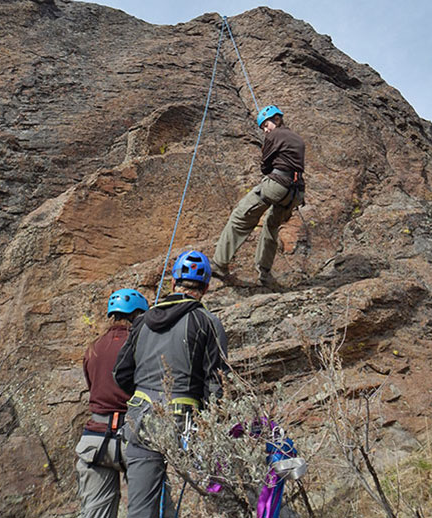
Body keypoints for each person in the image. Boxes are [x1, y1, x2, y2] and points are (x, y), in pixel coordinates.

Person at [113, 250, 228, 518]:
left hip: (140, 419)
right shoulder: (207, 322)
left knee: (141, 510)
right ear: (206, 287)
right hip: (185, 423)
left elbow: (120, 373)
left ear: (173, 283)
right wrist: (214, 426)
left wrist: (143, 396)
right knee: (222, 496)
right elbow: (217, 382)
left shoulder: (141, 322)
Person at [75, 288, 150, 518]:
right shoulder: (141, 344)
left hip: (94, 440)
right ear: (137, 315)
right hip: (133, 437)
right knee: (148, 510)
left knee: (95, 514)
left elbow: (94, 387)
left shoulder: (93, 348)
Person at [212, 105, 306, 285]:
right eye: (263, 128)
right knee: (272, 226)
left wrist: (268, 154)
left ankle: (219, 264)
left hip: (277, 185)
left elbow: (265, 165)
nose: (265, 130)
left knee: (241, 216)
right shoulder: (297, 138)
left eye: (266, 125)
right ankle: (265, 273)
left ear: (277, 119)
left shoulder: (274, 135)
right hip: (296, 193)